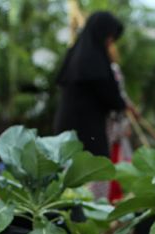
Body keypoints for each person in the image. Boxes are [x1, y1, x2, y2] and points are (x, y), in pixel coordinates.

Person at [54, 11, 127, 157]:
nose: (110, 42)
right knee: (91, 172)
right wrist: (123, 104)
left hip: (65, 130)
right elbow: (109, 94)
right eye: (110, 37)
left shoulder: (76, 54)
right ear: (101, 33)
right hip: (87, 134)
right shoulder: (95, 61)